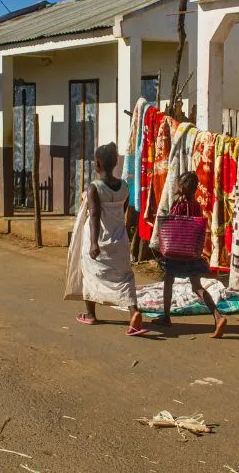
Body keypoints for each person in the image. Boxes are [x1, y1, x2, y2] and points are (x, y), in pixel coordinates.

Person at [76, 142, 147, 336]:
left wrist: (93, 243)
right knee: (125, 278)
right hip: (120, 239)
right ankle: (134, 313)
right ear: (115, 163)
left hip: (100, 240)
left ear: (97, 163)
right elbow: (123, 211)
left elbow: (95, 216)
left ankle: (90, 314)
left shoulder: (94, 188)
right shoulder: (124, 186)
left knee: (90, 274)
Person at [154, 171, 228, 338]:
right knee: (197, 287)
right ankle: (218, 316)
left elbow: (171, 225)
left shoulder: (177, 205)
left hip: (175, 252)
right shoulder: (196, 206)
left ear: (181, 186)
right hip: (191, 252)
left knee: (168, 281)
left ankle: (166, 316)